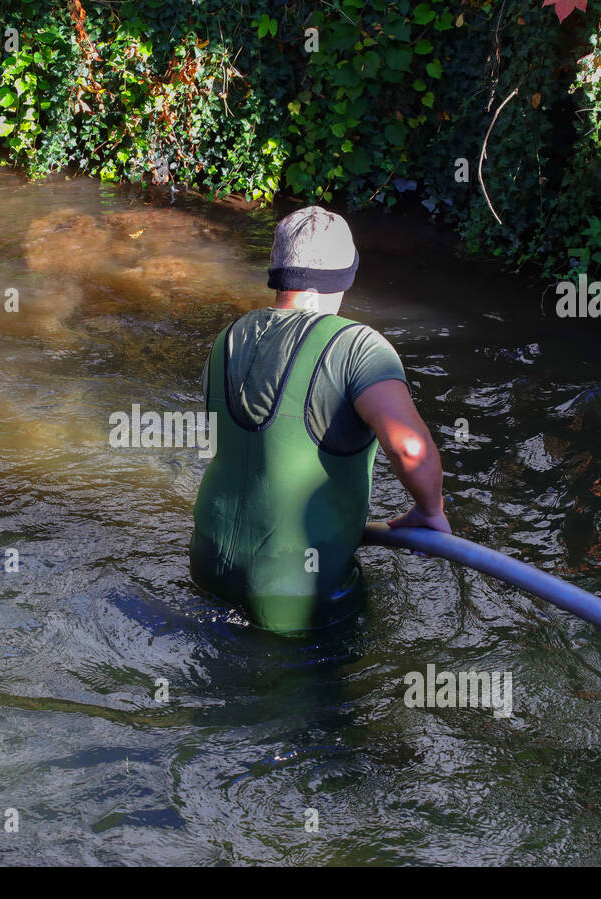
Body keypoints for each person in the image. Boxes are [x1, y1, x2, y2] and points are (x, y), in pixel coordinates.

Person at [190, 206, 450, 631]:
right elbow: (409, 446)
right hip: (298, 586)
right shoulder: (358, 346)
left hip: (207, 562)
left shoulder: (228, 337)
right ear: (345, 276)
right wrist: (430, 510)